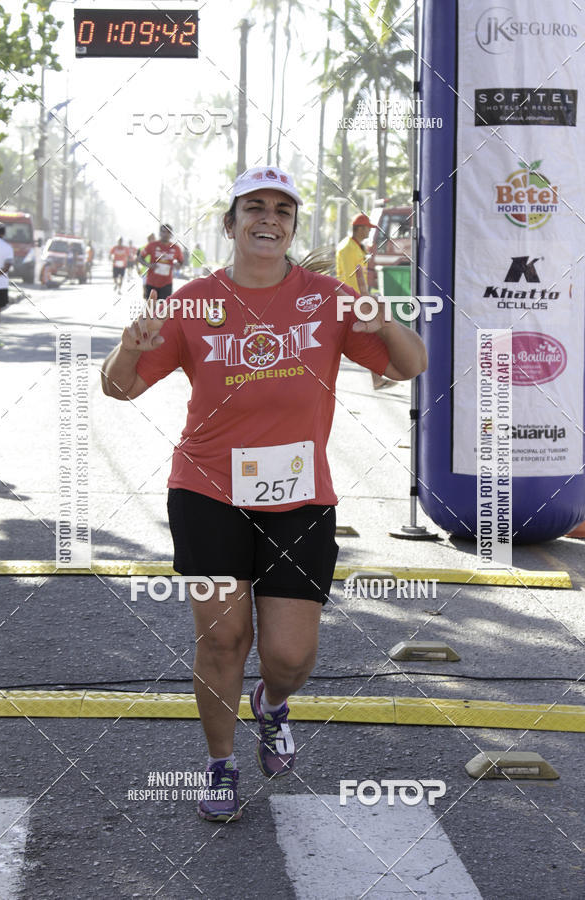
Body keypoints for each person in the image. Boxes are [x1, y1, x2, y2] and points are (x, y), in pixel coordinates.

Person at [101, 165, 427, 823]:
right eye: (254, 208)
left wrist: (383, 320)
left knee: (289, 655)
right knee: (222, 641)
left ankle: (273, 704)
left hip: (301, 499)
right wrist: (126, 348)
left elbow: (409, 366)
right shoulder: (193, 301)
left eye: (282, 210)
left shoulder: (329, 297)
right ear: (231, 224)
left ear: (291, 227)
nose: (268, 219)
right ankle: (219, 766)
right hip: (207, 490)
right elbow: (120, 388)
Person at [336, 213, 393, 390]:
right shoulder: (347, 249)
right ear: (360, 228)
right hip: (351, 301)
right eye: (368, 228)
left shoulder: (355, 247)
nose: (369, 231)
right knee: (368, 338)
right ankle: (377, 379)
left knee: (366, 338)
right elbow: (348, 277)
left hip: (356, 299)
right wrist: (358, 302)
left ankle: (377, 379)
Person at [136, 224, 184, 300]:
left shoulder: (176, 248)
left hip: (167, 284)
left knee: (164, 310)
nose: (165, 234)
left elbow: (181, 261)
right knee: (150, 308)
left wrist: (178, 265)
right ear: (160, 233)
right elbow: (140, 258)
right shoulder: (152, 245)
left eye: (168, 232)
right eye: (163, 232)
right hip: (151, 282)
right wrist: (149, 265)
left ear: (171, 234)